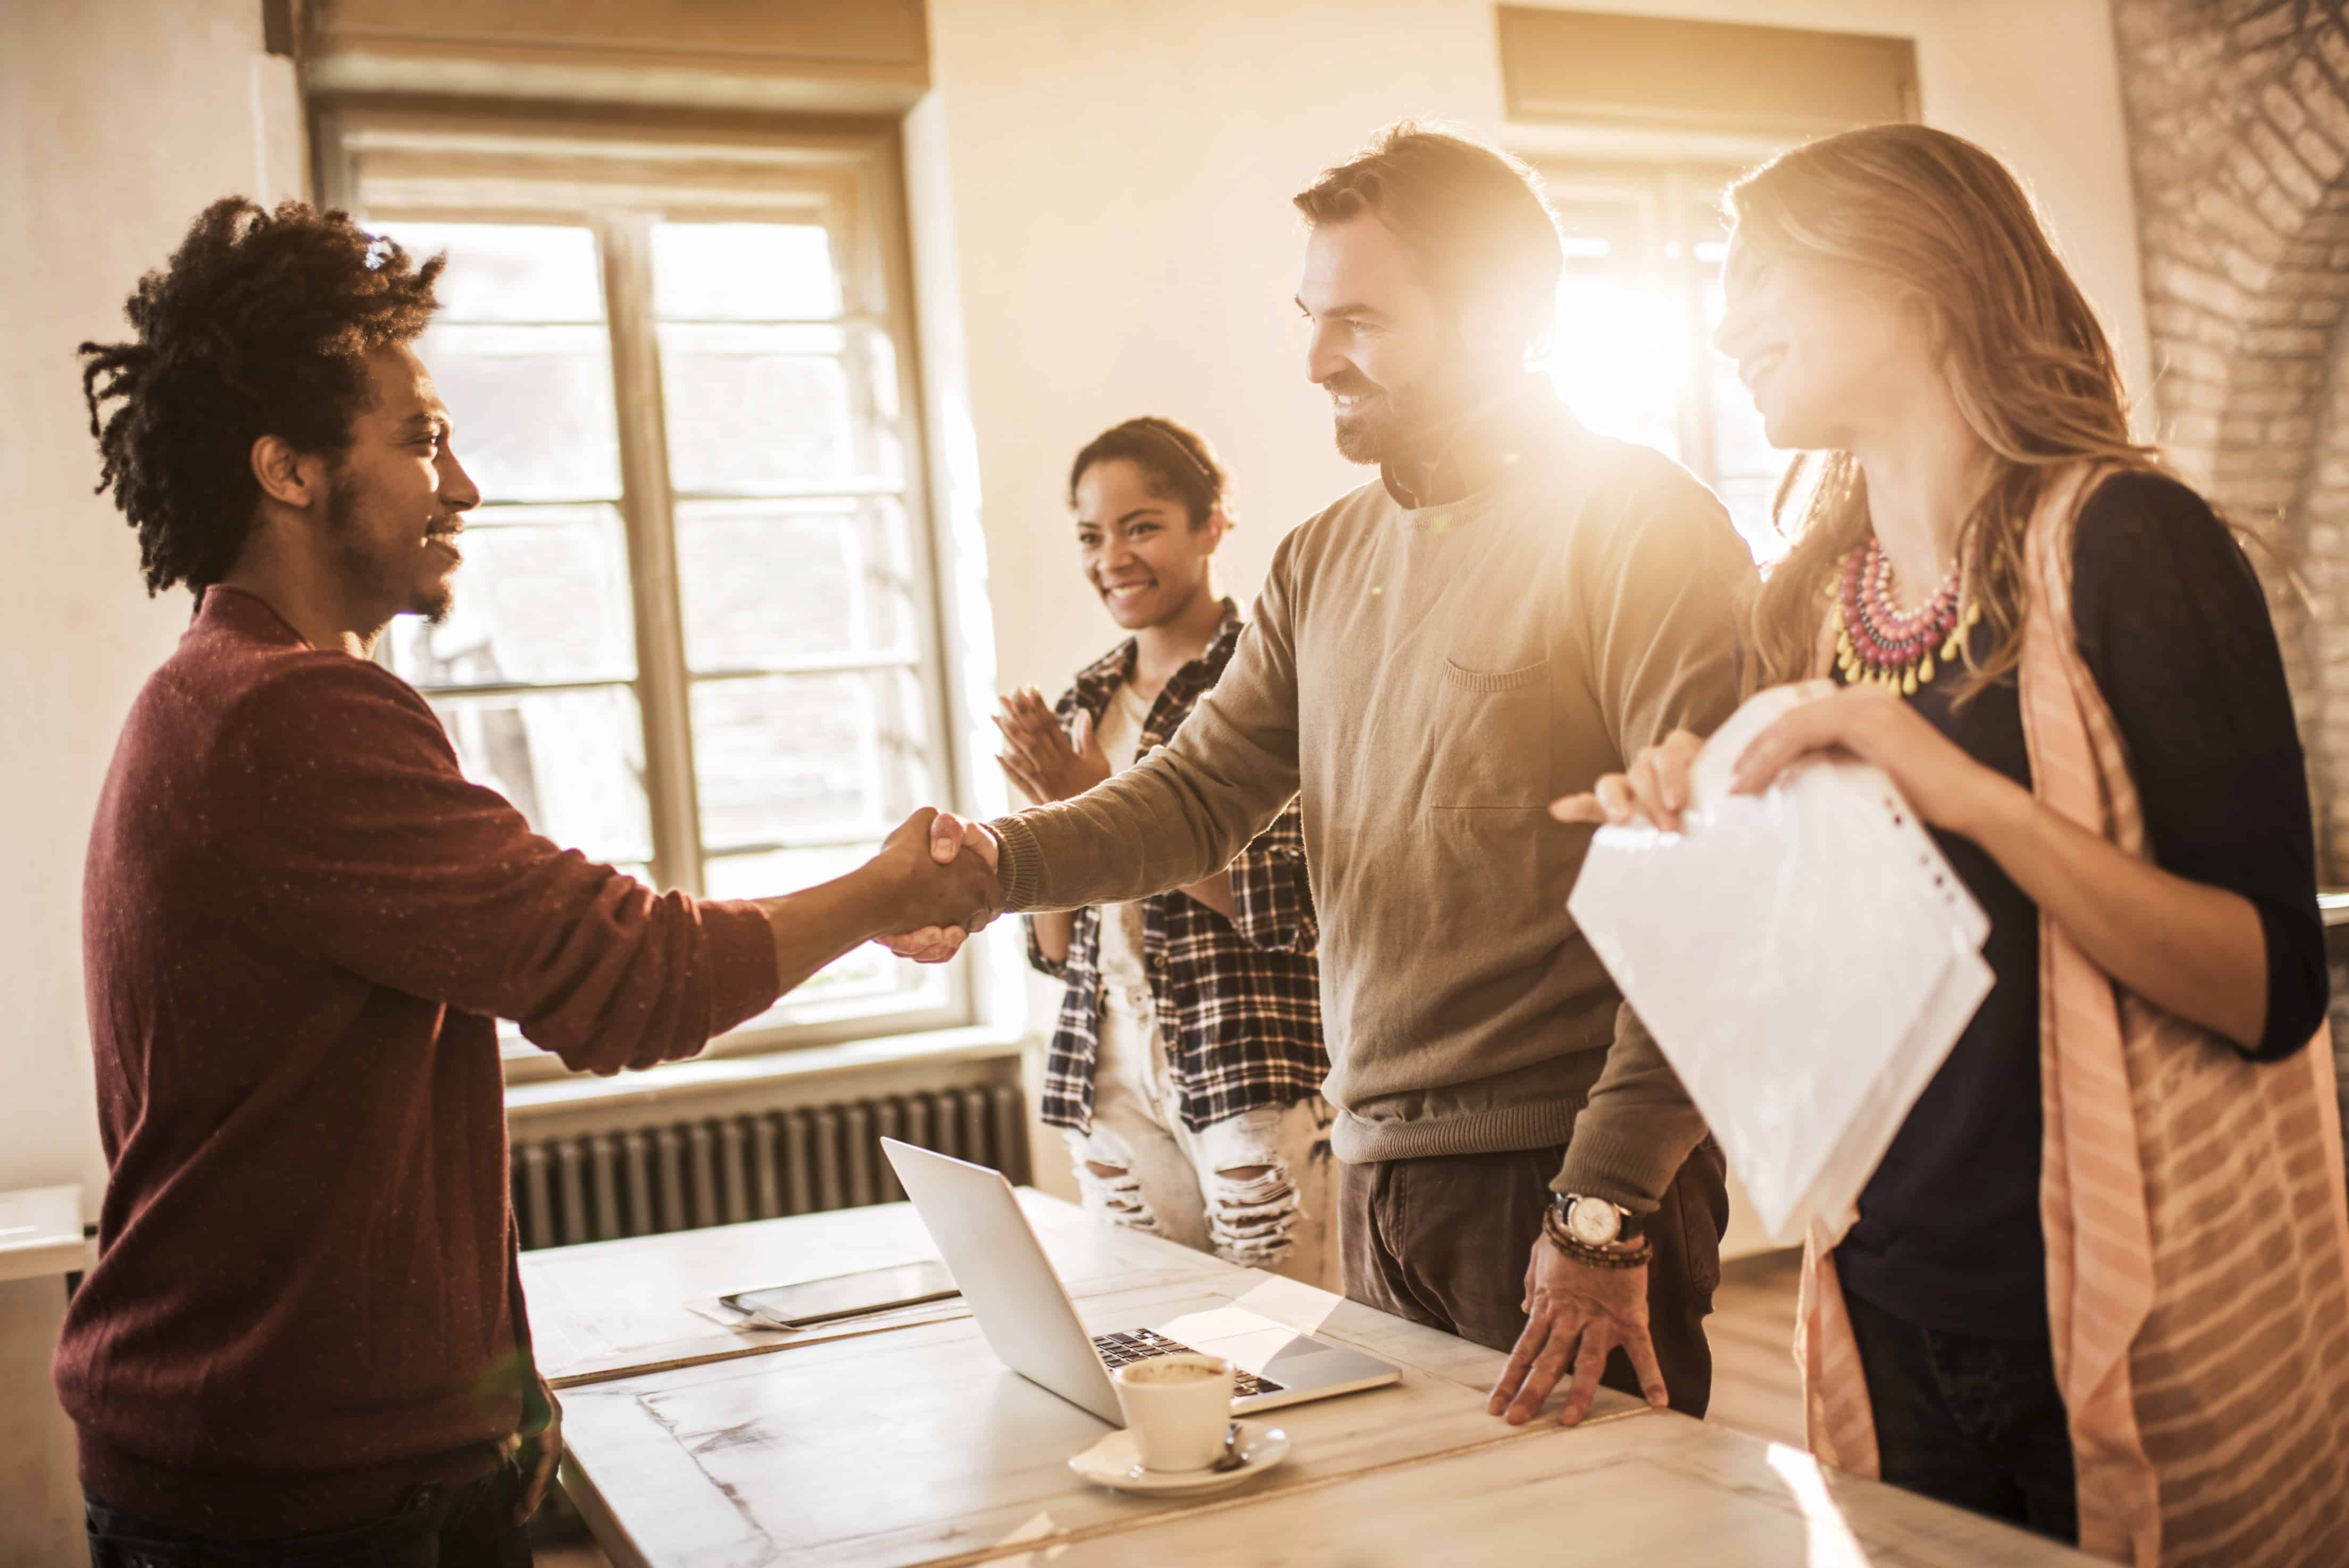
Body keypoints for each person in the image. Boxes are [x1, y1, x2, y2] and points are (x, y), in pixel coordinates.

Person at [57, 198, 1000, 1566]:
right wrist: (886, 885)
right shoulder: (287, 714)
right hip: (307, 1495)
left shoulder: (215, 697)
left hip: (267, 1459)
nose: (465, 486)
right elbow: (631, 979)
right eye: (422, 438)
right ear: (289, 469)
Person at [1560, 124, 2349, 1564]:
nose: (1728, 322)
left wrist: (1952, 781)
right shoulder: (1812, 600)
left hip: (2127, 1294)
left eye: (1765, 271)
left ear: (1917, 280)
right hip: (1887, 1294)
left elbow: (2268, 986)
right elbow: (1825, 962)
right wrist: (1708, 819)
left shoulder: (2130, 542)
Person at [893, 123, 1757, 1427]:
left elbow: (1713, 889)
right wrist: (997, 864)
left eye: (1359, 318)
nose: (1314, 359)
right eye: (1310, 315)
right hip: (1373, 1167)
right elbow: (1193, 797)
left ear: (1502, 314)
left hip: (1558, 1171)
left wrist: (1602, 1208)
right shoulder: (1321, 559)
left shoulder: (1641, 526)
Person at [1000, 416, 1334, 1287]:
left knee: (1279, 1337)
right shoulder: (1084, 700)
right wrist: (1055, 831)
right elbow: (1054, 951)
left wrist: (1092, 809)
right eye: (1090, 535)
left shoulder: (1268, 681)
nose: (1112, 557)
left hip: (1243, 1060)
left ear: (1213, 523)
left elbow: (1288, 909)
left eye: (1141, 526)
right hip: (1106, 1069)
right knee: (1147, 1335)